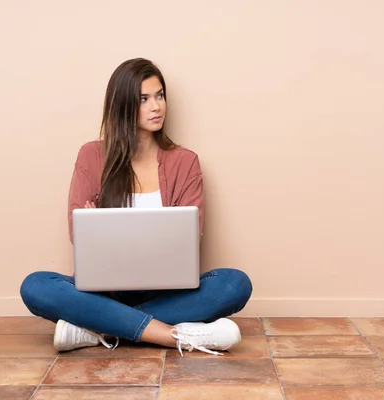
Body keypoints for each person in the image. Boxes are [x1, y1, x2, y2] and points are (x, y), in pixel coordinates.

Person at [20, 58, 253, 356]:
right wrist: (92, 231)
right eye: (143, 99)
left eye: (159, 95)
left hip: (167, 292)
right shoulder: (92, 155)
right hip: (104, 291)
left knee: (235, 284)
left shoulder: (185, 161)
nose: (156, 107)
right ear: (123, 105)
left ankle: (96, 327)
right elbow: (78, 231)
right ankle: (175, 335)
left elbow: (188, 236)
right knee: (35, 285)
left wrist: (103, 228)